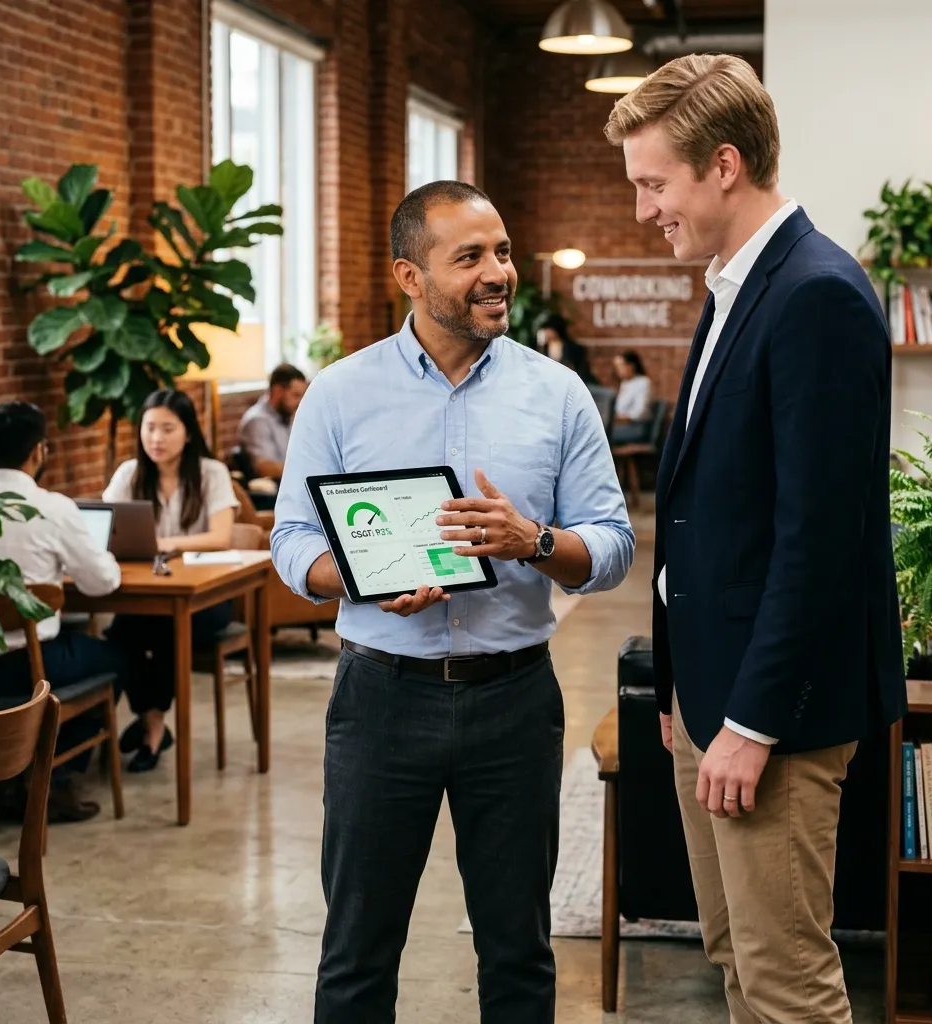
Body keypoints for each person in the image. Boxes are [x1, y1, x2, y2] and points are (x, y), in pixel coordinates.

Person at [271, 179, 634, 1023]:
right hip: (379, 699)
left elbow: (612, 545)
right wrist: (363, 576)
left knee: (518, 952)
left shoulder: (558, 394)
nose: (497, 271)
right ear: (409, 275)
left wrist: (534, 542)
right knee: (357, 953)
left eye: (502, 251)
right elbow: (292, 545)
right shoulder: (339, 393)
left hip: (514, 700)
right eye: (469, 256)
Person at [605, 54, 906, 1023]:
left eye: (654, 183)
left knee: (785, 984)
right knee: (734, 957)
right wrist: (681, 686)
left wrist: (749, 722)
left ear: (723, 164)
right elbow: (703, 508)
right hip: (712, 696)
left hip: (773, 717)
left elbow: (816, 541)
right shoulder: (735, 282)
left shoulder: (815, 292)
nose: (645, 208)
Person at [0, 401, 127, 823]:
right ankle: (57, 781)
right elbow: (104, 582)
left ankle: (5, 782)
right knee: (117, 658)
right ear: (40, 450)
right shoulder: (53, 508)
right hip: (32, 667)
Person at [103, 389, 239, 773]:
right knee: (120, 637)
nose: (156, 439)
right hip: (149, 593)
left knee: (165, 631)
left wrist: (164, 543)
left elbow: (221, 537)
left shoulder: (211, 472)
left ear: (189, 433)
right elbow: (104, 528)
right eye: (149, 428)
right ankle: (153, 725)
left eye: (167, 429)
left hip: (207, 597)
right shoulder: (129, 473)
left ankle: (150, 727)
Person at [237, 362, 307, 480]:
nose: (300, 402)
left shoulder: (288, 415)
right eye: (296, 395)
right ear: (277, 391)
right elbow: (264, 467)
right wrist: (307, 469)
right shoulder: (257, 421)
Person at [536, 313, 597, 383]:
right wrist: (540, 346)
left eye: (548, 329)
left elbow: (582, 370)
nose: (545, 332)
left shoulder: (573, 348)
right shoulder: (542, 348)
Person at [611, 350, 652, 443]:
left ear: (631, 366)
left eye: (621, 366)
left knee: (604, 433)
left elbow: (641, 412)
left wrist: (623, 419)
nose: (618, 370)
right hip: (620, 425)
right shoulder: (625, 383)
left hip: (636, 427)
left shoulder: (643, 382)